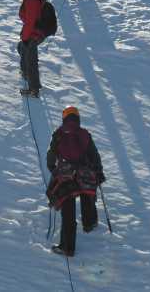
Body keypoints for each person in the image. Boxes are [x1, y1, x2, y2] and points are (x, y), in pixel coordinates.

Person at [46, 106, 105, 257]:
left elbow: (51, 156)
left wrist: (54, 169)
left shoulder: (58, 134)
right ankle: (89, 223)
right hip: (84, 174)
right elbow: (94, 155)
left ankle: (67, 247)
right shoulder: (84, 134)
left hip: (66, 176)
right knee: (88, 194)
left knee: (68, 209)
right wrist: (98, 172)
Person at [14, 0, 44, 96]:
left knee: (30, 60)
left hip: (33, 35)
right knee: (21, 48)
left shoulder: (31, 1)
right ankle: (25, 72)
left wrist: (25, 38)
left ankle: (33, 89)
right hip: (33, 33)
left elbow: (30, 22)